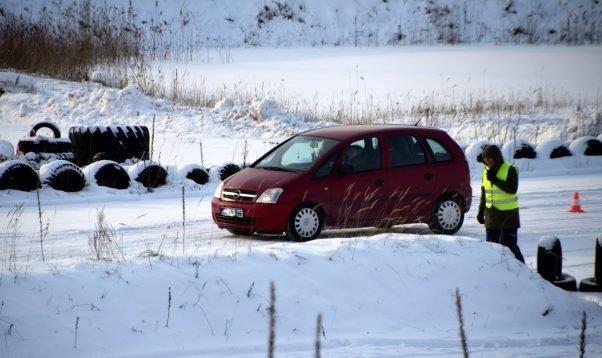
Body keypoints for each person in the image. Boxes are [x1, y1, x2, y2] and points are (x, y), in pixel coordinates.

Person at [476, 144, 525, 263]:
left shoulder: (509, 169)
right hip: (491, 216)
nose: (487, 161)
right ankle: (497, 273)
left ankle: (524, 272)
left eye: (489, 158)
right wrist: (481, 211)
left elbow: (512, 189)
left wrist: (495, 180)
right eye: (485, 159)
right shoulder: (485, 171)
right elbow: (484, 192)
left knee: (510, 247)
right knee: (491, 249)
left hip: (508, 217)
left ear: (496, 157)